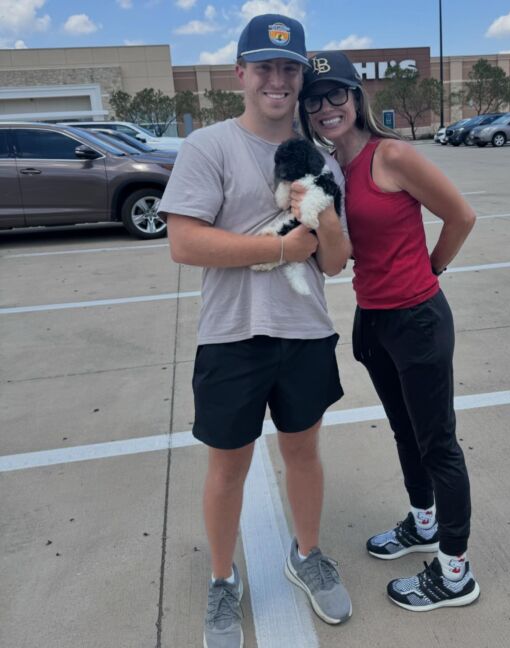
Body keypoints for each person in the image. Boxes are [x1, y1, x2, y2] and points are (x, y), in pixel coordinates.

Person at [159, 19, 352, 647]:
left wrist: (317, 218)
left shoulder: (321, 161)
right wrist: (278, 250)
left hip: (304, 333)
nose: (278, 80)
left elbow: (333, 260)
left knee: (303, 453)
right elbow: (185, 243)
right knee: (228, 466)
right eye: (265, 67)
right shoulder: (208, 147)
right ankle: (222, 582)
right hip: (231, 334)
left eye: (289, 69)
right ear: (240, 74)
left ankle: (308, 553)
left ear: (300, 78)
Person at [298, 51, 480, 612]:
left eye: (336, 94)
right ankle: (423, 523)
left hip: (418, 318)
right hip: (373, 317)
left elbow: (462, 216)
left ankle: (454, 574)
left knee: (438, 443)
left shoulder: (391, 155)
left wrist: (431, 269)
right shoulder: (331, 168)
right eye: (314, 99)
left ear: (357, 97)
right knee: (405, 433)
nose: (327, 107)